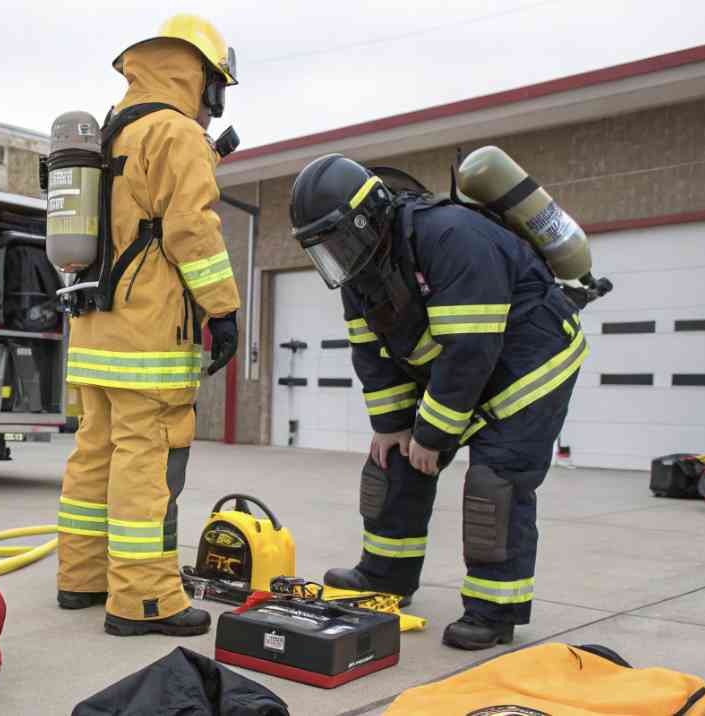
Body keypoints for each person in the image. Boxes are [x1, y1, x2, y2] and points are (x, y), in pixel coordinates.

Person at [288, 154, 587, 650]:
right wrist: (392, 426)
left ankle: (494, 611)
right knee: (391, 462)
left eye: (334, 240)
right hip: (461, 371)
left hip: (531, 369)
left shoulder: (452, 236)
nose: (331, 256)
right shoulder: (357, 269)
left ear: (367, 219)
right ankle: (386, 577)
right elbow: (371, 353)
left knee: (496, 483)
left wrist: (432, 434)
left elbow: (471, 349)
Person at [55, 14, 241, 637]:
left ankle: (81, 578)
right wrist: (224, 309)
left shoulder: (111, 132)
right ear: (203, 78)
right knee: (148, 460)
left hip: (94, 334)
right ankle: (144, 601)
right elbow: (192, 231)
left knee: (94, 455)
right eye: (219, 86)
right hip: (148, 338)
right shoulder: (176, 135)